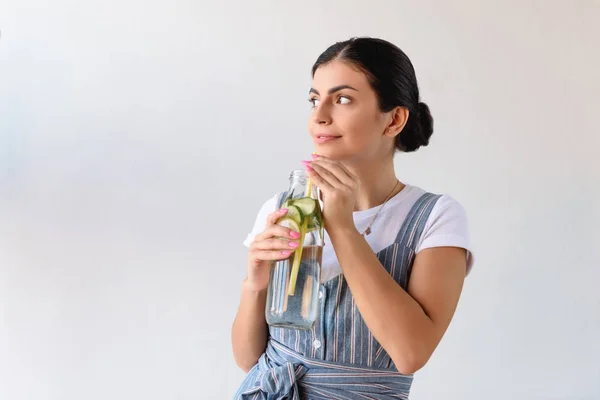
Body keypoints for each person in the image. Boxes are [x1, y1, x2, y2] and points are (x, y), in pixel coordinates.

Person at [231, 37, 474, 399]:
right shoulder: (281, 208)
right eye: (315, 99)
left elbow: (410, 353)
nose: (319, 115)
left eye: (342, 99)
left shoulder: (435, 218)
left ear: (393, 119)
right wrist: (254, 283)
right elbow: (249, 359)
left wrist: (342, 226)